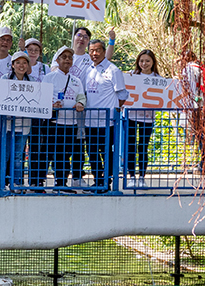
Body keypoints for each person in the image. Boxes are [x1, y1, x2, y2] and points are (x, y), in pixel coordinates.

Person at [80, 39, 125, 190]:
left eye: (98, 50)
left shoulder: (113, 70)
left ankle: (107, 181)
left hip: (108, 122)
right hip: (90, 121)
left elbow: (122, 95)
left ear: (104, 51)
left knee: (107, 153)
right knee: (92, 152)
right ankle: (98, 181)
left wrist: (113, 110)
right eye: (91, 50)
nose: (94, 53)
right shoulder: (88, 70)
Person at [41, 47, 87, 189]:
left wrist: (80, 104)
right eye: (64, 57)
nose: (67, 60)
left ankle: (62, 183)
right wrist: (51, 105)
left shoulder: (76, 80)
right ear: (57, 60)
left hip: (71, 123)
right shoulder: (49, 78)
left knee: (66, 155)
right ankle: (43, 182)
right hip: (54, 123)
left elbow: (81, 97)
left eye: (70, 57)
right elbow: (42, 98)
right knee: (51, 153)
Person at [0, 51, 36, 191]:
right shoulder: (4, 79)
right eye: (18, 62)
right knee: (3, 155)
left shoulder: (32, 82)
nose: (21, 65)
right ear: (12, 65)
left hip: (23, 125)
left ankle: (16, 183)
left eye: (24, 63)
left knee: (18, 156)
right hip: (4, 125)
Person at [123, 48, 161, 187]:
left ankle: (141, 177)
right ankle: (132, 176)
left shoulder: (158, 79)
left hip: (147, 117)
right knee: (130, 146)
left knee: (143, 147)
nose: (144, 64)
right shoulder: (131, 75)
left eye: (147, 61)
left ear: (153, 62)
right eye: (141, 61)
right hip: (131, 116)